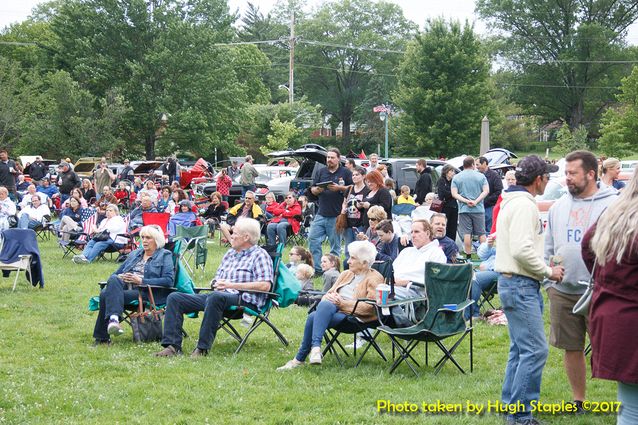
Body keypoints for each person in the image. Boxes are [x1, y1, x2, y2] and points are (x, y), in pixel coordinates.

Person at [544, 150, 618, 413]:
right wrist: (548, 278)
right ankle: (579, 401)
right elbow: (549, 245)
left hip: (602, 291)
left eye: (572, 173)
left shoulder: (613, 205)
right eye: (566, 173)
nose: (567, 179)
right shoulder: (559, 206)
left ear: (590, 174)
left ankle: (628, 403)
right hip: (563, 290)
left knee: (613, 348)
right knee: (571, 347)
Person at [494, 155, 564, 425]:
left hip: (514, 282)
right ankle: (521, 416)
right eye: (547, 176)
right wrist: (549, 271)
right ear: (538, 180)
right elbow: (522, 250)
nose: (549, 180)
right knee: (535, 351)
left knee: (520, 350)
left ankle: (510, 408)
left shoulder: (514, 201)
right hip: (521, 283)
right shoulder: (524, 205)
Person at [155, 218, 273, 357]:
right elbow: (218, 278)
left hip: (244, 300)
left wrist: (231, 285)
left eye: (234, 233)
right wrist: (215, 283)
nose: (231, 236)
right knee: (175, 298)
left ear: (246, 237)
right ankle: (172, 346)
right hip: (218, 297)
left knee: (216, 297)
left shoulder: (260, 255)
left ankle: (202, 349)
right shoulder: (230, 253)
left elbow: (265, 286)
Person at [581, 167, 638, 425]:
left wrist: (609, 280)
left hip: (613, 315)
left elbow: (588, 248)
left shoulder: (614, 214)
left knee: (629, 406)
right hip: (628, 319)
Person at [277, 241, 383, 370]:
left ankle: (302, 357)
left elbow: (370, 308)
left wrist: (341, 303)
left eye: (353, 258)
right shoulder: (346, 274)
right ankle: (314, 350)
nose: (348, 261)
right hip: (335, 311)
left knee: (313, 316)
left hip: (356, 318)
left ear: (365, 263)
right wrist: (329, 297)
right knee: (325, 305)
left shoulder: (375, 278)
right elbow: (329, 292)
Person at [92, 225, 174, 344]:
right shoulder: (135, 254)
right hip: (125, 288)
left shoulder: (165, 255)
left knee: (105, 294)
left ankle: (103, 337)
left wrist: (141, 281)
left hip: (146, 293)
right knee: (114, 278)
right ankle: (113, 320)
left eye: (148, 238)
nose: (144, 241)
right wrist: (122, 277)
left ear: (157, 240)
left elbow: (168, 280)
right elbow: (115, 274)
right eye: (142, 237)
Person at [308, 148, 353, 274]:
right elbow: (313, 189)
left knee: (335, 246)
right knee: (313, 239)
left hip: (337, 215)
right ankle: (318, 269)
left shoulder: (345, 172)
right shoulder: (321, 171)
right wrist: (318, 190)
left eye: (332, 157)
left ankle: (333, 271)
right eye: (328, 157)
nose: (329, 160)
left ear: (338, 159)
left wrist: (339, 188)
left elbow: (352, 188)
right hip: (321, 213)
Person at [392, 219, 447, 295]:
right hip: (393, 287)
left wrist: (407, 282)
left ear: (427, 233)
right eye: (411, 232)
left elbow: (434, 281)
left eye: (416, 232)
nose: (413, 235)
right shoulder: (406, 251)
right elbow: (392, 270)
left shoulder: (436, 253)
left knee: (379, 295)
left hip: (415, 291)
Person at [452, 156, 489, 259]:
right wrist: (476, 201)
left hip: (464, 209)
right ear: (473, 164)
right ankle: (484, 256)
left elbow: (454, 194)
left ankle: (468, 256)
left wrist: (465, 201)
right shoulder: (481, 176)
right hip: (479, 209)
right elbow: (486, 191)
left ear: (463, 165)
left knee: (466, 234)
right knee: (482, 233)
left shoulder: (457, 177)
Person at [477, 156, 503, 233]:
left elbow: (499, 191)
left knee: (489, 230)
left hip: (489, 207)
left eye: (478, 164)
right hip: (478, 207)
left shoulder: (494, 176)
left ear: (484, 163)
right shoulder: (477, 175)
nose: (476, 167)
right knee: (480, 231)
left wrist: (486, 200)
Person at [437, 164, 458, 241]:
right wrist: (453, 193)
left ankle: (452, 243)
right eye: (451, 171)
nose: (453, 173)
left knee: (453, 227)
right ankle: (443, 241)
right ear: (446, 172)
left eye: (454, 171)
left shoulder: (454, 181)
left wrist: (453, 193)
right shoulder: (441, 180)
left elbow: (457, 192)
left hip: (454, 206)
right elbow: (442, 194)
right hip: (445, 207)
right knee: (444, 225)